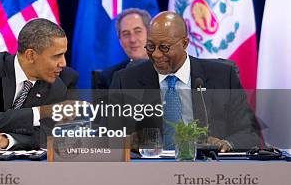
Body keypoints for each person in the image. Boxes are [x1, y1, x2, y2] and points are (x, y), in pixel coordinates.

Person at [109, 11, 261, 151]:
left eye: (164, 47)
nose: (155, 54)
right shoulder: (125, 81)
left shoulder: (222, 77)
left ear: (184, 44)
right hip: (149, 170)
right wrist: (126, 142)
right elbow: (107, 137)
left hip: (206, 170)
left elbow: (250, 134)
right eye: (150, 46)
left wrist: (226, 144)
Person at [0, 18, 79, 150]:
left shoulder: (56, 87)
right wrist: (40, 113)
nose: (63, 63)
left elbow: (49, 135)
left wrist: (7, 141)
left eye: (63, 55)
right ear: (30, 55)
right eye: (56, 56)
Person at [94, 8, 151, 89]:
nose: (132, 39)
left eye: (138, 31)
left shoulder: (168, 70)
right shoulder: (108, 78)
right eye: (126, 34)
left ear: (150, 34)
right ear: (120, 40)